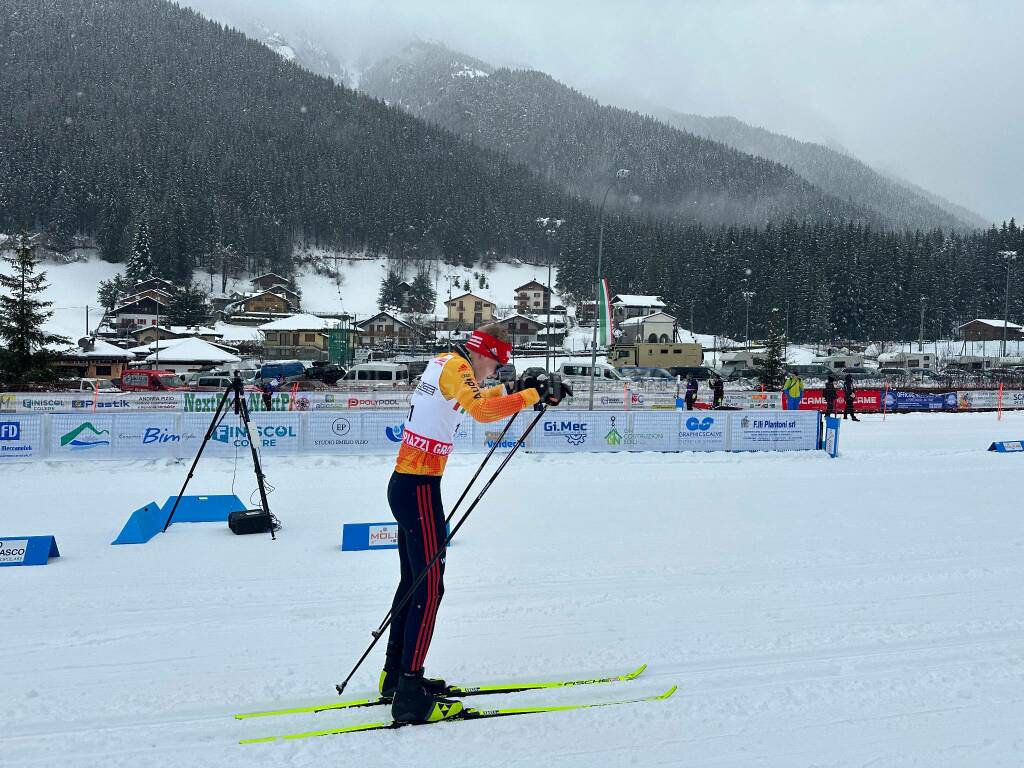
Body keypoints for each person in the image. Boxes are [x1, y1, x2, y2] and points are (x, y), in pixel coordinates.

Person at [381, 323, 568, 725]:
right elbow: (481, 410)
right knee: (430, 590)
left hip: (408, 485)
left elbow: (476, 396)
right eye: (497, 365)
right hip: (418, 490)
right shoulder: (458, 366)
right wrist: (531, 394)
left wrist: (514, 387)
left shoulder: (446, 362)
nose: (494, 372)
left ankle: (395, 676)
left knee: (413, 583)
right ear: (483, 354)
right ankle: (409, 692)